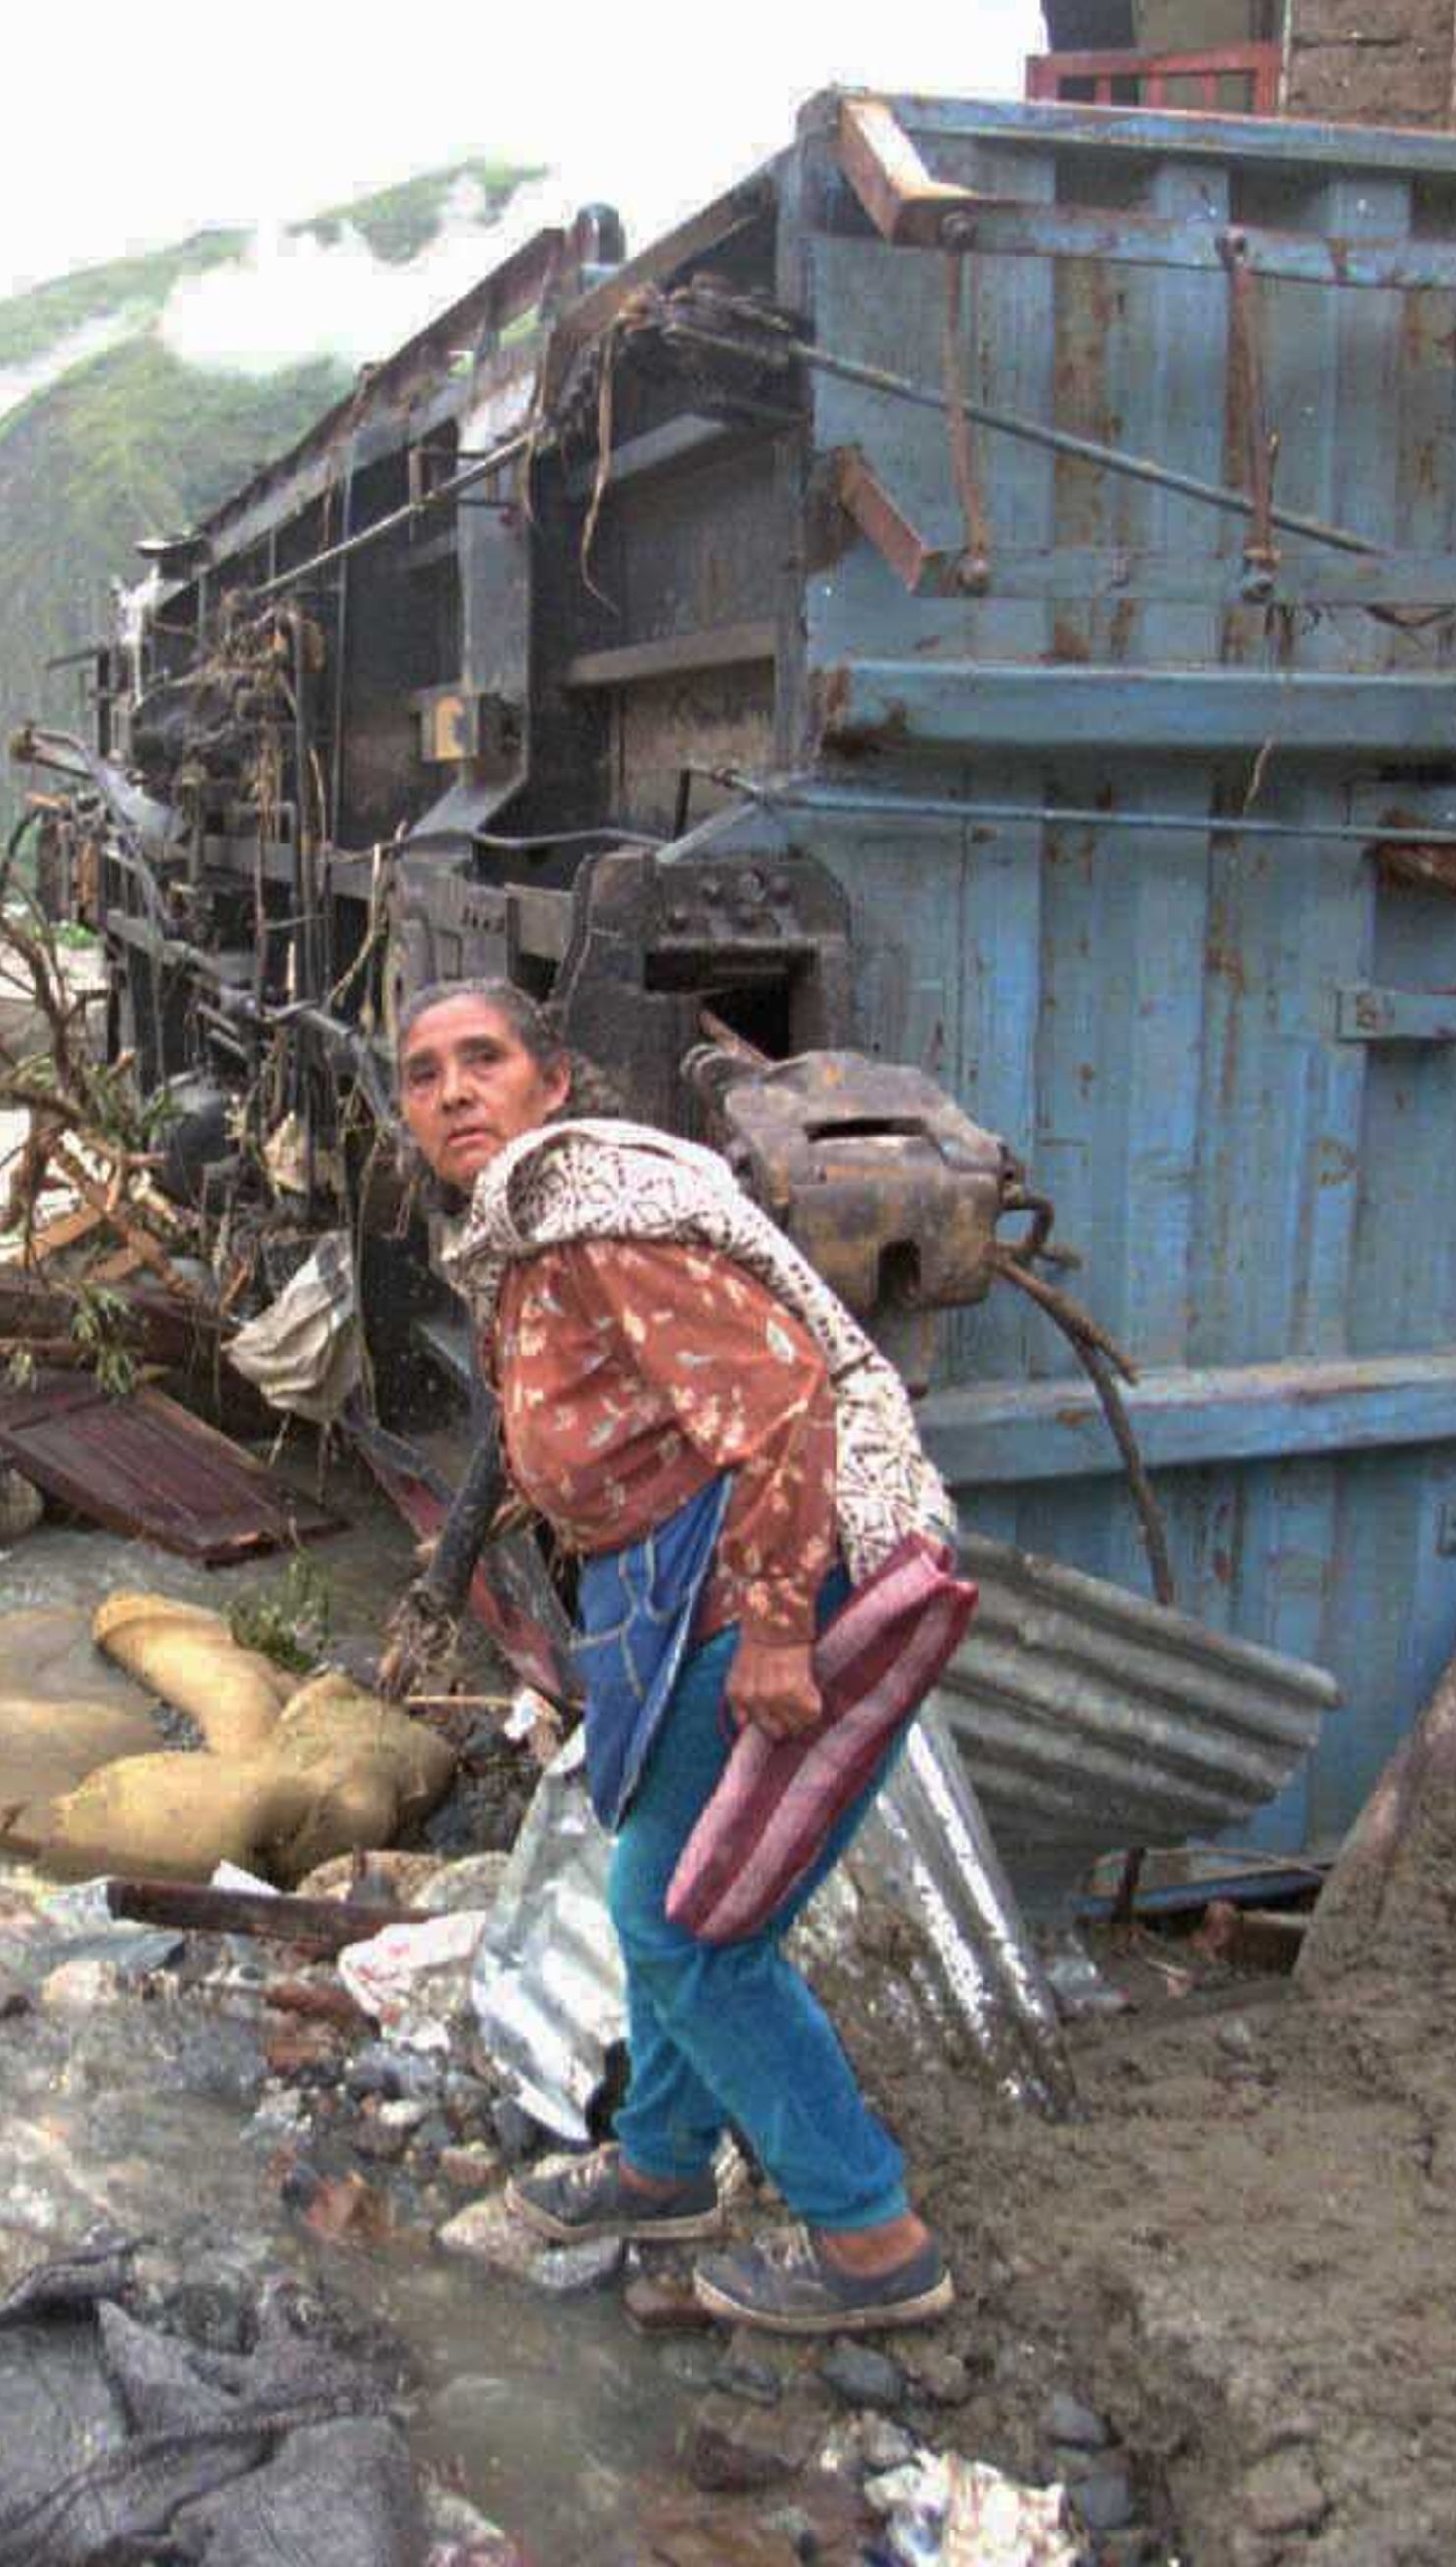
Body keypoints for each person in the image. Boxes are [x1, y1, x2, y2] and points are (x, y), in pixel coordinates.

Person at [393, 976, 957, 2337]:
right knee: (664, 1875)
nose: (455, 1090)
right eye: (424, 1074)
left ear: (553, 1085)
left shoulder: (592, 1214)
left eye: (484, 1061)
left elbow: (780, 1407)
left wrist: (773, 1621)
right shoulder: (532, 1234)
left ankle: (871, 2238)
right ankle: (660, 2164)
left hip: (742, 1570)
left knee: (689, 1923)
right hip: (660, 1585)